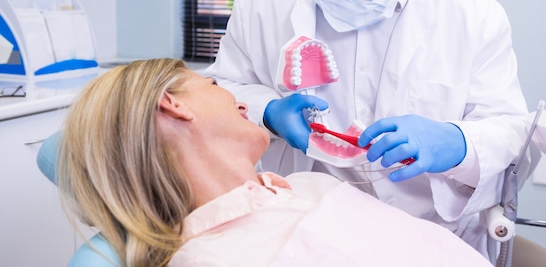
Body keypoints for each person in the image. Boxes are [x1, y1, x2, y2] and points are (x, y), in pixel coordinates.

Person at [204, 0, 539, 262]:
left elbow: (510, 132)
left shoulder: (471, 12)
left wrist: (459, 142)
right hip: (303, 241)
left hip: (431, 241)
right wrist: (266, 109)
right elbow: (220, 93)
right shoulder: (262, 1)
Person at [48, 58, 493, 267]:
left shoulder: (304, 184)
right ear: (173, 105)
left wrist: (461, 142)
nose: (237, 96)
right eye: (212, 82)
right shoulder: (210, 259)